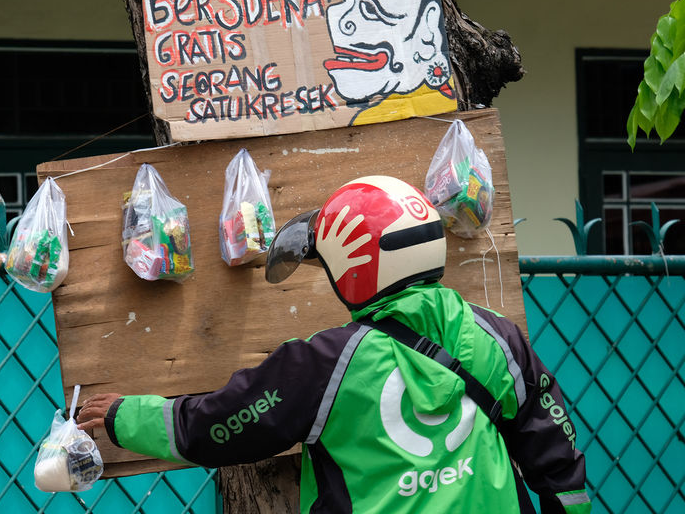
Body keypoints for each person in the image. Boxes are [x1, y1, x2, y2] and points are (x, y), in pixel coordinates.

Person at [77, 176, 590, 513]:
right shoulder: (494, 333)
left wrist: (127, 416)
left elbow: (222, 425)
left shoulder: (327, 364)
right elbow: (555, 448)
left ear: (353, 268)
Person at [322, 0, 456, 124]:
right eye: (346, 2)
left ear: (427, 27)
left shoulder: (437, 117)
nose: (341, 23)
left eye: (371, 8)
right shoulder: (366, 118)